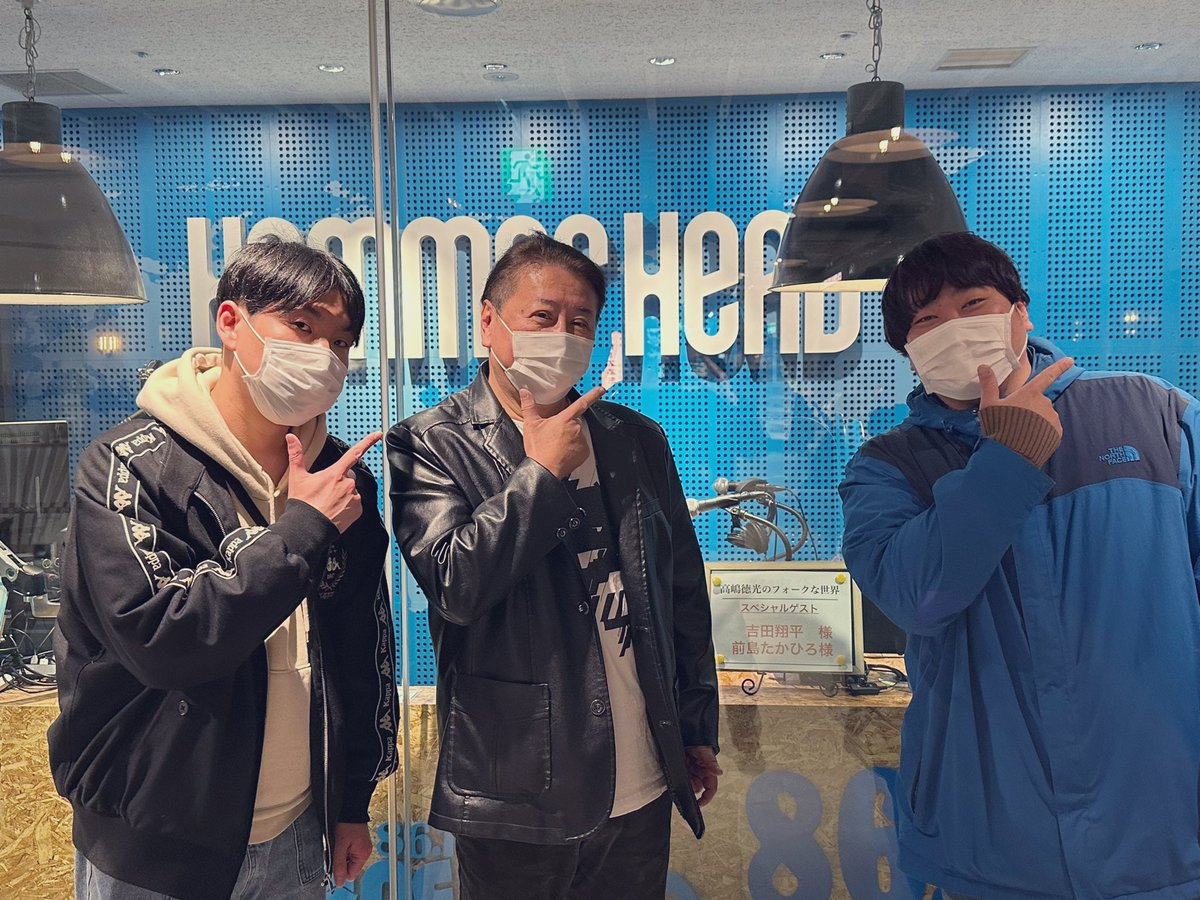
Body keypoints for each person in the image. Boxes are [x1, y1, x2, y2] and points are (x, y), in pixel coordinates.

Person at [839, 231, 1200, 900]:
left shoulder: (1153, 414)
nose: (954, 328)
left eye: (973, 303)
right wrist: (1006, 460)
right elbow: (915, 598)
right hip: (988, 834)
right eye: (927, 320)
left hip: (1161, 822)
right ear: (909, 351)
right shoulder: (886, 466)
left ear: (1020, 312)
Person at [49, 238, 398, 900]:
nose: (324, 357)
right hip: (155, 843)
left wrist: (351, 800)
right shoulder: (129, 466)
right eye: (302, 327)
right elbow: (162, 640)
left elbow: (360, 648)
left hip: (299, 830)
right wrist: (301, 529)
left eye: (341, 342)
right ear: (231, 322)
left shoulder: (342, 479)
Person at [386, 232, 721, 900]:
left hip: (643, 779)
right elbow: (455, 584)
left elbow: (680, 592)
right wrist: (540, 473)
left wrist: (694, 726)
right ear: (489, 322)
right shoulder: (430, 443)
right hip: (517, 785)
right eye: (543, 317)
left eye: (581, 323)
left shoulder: (636, 439)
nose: (563, 336)